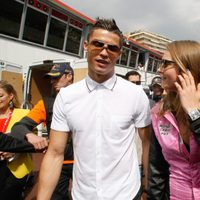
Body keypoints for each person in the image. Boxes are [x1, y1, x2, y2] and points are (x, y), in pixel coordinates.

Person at [38, 18, 151, 200]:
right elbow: (55, 153)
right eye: (98, 45)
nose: (104, 53)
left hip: (126, 194)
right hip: (82, 195)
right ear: (86, 45)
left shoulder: (135, 94)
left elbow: (147, 144)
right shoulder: (67, 97)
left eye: (112, 48)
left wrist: (146, 189)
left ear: (119, 53)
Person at [11, 63, 74, 200]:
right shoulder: (46, 104)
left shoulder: (85, 100)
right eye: (51, 78)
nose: (52, 82)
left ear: (69, 76)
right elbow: (18, 127)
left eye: (56, 78)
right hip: (58, 164)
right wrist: (30, 135)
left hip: (84, 163)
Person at [147, 40, 200, 199]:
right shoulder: (158, 112)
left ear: (187, 68)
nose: (159, 69)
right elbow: (157, 168)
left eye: (165, 63)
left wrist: (194, 113)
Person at [0, 80, 33, 200]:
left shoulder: (23, 114)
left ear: (11, 96)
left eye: (1, 96)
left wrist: (14, 152)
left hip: (16, 169)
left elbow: (32, 141)